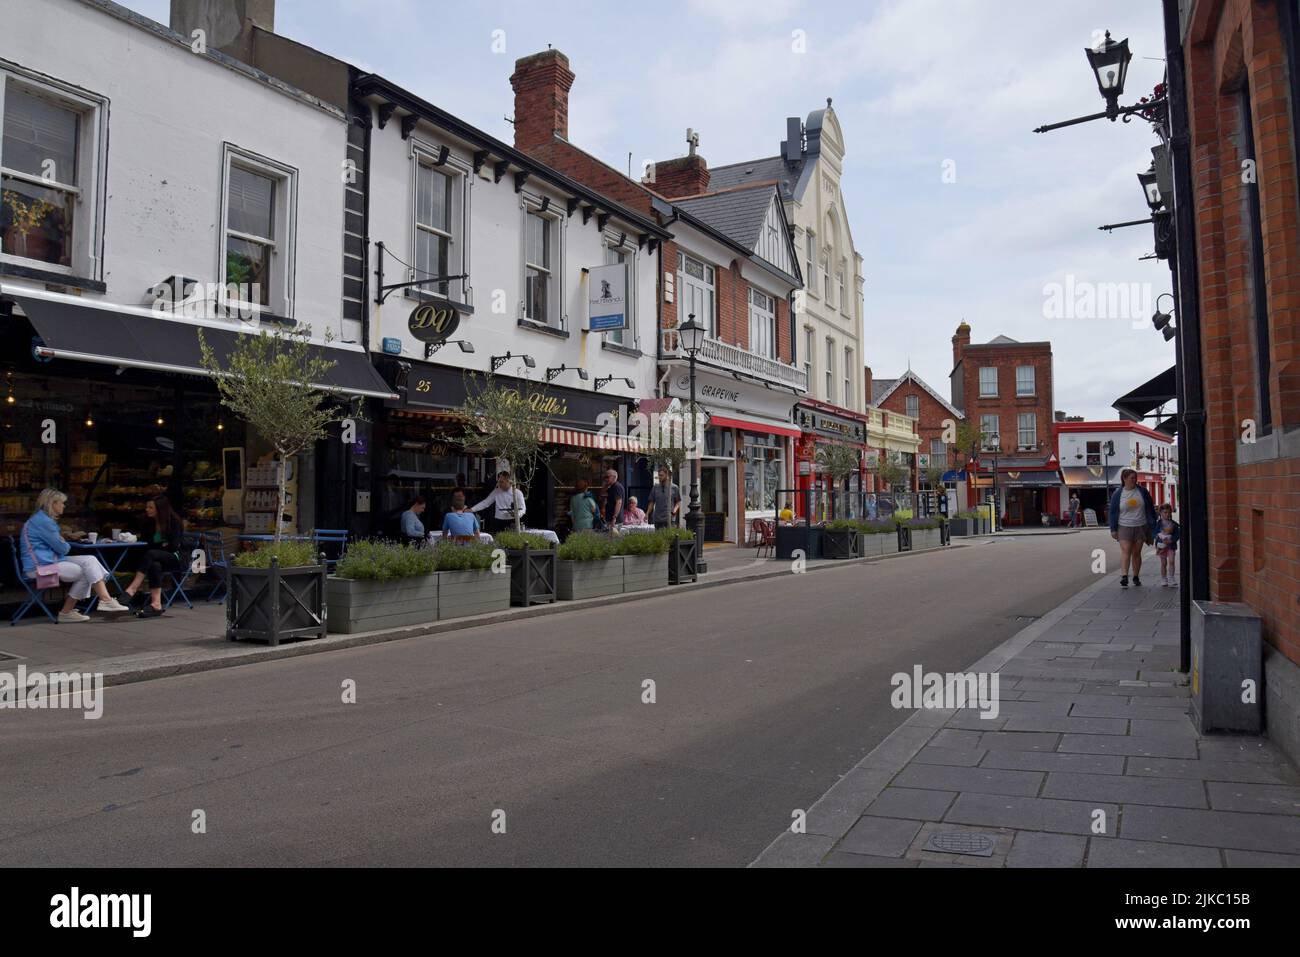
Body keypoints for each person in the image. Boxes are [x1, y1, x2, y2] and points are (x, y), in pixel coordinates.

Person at [20, 488, 129, 621]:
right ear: (53, 504)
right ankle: (71, 610)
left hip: (48, 561)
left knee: (90, 560)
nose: (64, 506)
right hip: (40, 568)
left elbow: (57, 545)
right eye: (62, 503)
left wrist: (61, 539)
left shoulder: (40, 519)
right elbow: (63, 549)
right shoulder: (44, 522)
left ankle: (103, 601)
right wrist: (63, 540)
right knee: (86, 571)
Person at [122, 495, 185, 617]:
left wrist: (159, 548)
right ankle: (156, 604)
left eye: (151, 507)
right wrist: (162, 546)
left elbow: (173, 547)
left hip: (176, 558)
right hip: (157, 558)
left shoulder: (174, 522)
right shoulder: (148, 523)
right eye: (147, 507)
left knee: (152, 554)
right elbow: (146, 543)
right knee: (154, 565)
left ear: (160, 509)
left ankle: (132, 589)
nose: (147, 509)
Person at [1109, 468, 1158, 588]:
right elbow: (1113, 512)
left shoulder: (1142, 492)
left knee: (1136, 553)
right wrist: (1113, 529)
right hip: (1124, 526)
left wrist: (1153, 527)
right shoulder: (1117, 494)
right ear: (1124, 479)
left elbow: (1150, 508)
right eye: (1132, 478)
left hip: (1140, 526)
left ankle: (1136, 576)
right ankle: (1124, 576)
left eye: (1135, 478)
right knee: (1126, 551)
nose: (1134, 480)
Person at [1154, 504, 1181, 587]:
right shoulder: (1158, 524)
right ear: (1160, 513)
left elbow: (1178, 534)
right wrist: (1159, 537)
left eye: (1169, 512)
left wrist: (1172, 540)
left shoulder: (1174, 524)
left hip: (1171, 546)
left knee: (1172, 561)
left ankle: (1171, 578)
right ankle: (1163, 578)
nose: (1167, 514)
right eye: (1165, 512)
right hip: (1161, 546)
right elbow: (1154, 533)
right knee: (1163, 563)